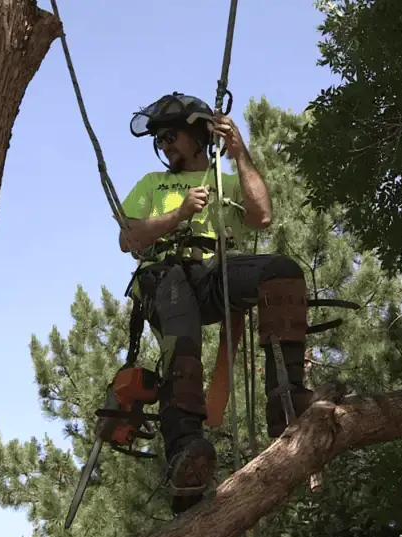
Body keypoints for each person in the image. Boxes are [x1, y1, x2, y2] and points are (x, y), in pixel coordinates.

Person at [118, 92, 315, 515]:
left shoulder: (223, 181)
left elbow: (262, 216)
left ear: (197, 136)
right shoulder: (153, 185)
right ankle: (186, 451)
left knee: (280, 270)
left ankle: (288, 404)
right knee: (182, 333)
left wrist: (240, 154)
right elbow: (129, 240)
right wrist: (180, 214)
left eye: (172, 135)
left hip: (212, 274)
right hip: (166, 275)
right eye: (161, 139)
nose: (166, 145)